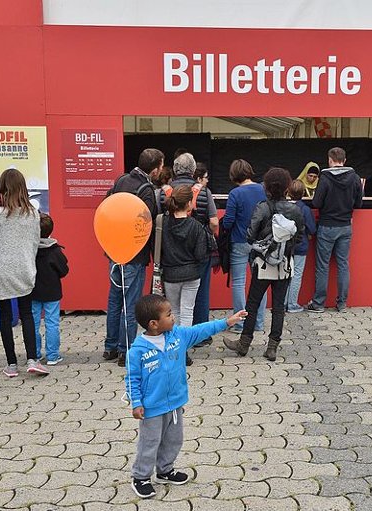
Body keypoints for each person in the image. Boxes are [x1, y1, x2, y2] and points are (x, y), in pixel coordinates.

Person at [126, 294, 247, 499]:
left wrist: (226, 322)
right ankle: (141, 477)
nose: (173, 318)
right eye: (169, 314)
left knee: (174, 439)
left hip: (175, 403)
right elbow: (132, 379)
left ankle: (165, 470)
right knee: (150, 442)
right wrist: (136, 403)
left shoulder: (177, 336)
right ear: (154, 324)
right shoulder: (137, 351)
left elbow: (200, 330)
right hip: (152, 407)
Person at [223, 167, 304, 362]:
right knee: (278, 307)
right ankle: (272, 347)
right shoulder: (294, 209)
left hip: (262, 263)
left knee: (252, 303)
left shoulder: (262, 207)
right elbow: (299, 236)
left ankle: (244, 343)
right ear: (287, 187)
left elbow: (250, 234)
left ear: (266, 186)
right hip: (285, 264)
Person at [0, 168, 46, 377]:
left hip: (0, 269)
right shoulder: (31, 213)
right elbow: (35, 241)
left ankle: (11, 364)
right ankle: (32, 359)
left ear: (2, 185)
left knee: (5, 316)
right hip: (24, 268)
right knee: (26, 313)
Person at [103, 148, 163, 367]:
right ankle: (125, 350)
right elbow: (146, 224)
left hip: (114, 251)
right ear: (156, 168)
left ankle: (109, 346)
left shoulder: (121, 181)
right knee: (131, 304)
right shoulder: (146, 189)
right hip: (133, 255)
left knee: (114, 300)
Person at [160, 153, 219, 341]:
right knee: (200, 295)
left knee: (173, 305)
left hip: (170, 255)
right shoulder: (203, 191)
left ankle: (175, 340)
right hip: (198, 250)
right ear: (194, 170)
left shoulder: (163, 192)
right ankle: (201, 336)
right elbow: (214, 221)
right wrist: (207, 235)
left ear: (174, 170)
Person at [307, 147, 363, 314]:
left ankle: (318, 304)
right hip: (345, 226)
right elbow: (359, 204)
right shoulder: (355, 178)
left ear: (330, 160)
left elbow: (316, 203)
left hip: (327, 226)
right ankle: (342, 304)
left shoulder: (325, 178)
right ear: (344, 160)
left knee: (323, 266)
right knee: (343, 265)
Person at [160, 186, 209, 358]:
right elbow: (201, 255)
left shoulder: (162, 223)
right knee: (188, 311)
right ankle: (184, 351)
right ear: (189, 203)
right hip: (191, 274)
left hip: (170, 274)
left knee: (173, 312)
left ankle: (174, 347)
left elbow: (157, 250)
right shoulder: (196, 226)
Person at [220, 159, 268, 333]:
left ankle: (240, 324)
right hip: (260, 242)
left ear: (234, 175)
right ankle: (259, 323)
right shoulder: (263, 189)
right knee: (260, 282)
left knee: (239, 283)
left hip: (239, 241)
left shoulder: (235, 193)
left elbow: (229, 221)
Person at [31, 212, 69, 366]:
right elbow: (64, 271)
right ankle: (53, 356)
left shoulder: (30, 250)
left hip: (33, 292)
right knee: (52, 323)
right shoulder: (54, 251)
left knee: (33, 323)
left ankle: (34, 354)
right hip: (52, 293)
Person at [285, 180, 317, 313]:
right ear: (303, 193)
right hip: (300, 246)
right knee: (296, 275)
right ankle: (292, 304)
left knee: (286, 274)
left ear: (288, 192)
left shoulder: (283, 207)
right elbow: (312, 228)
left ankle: (283, 303)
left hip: (285, 246)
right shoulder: (305, 209)